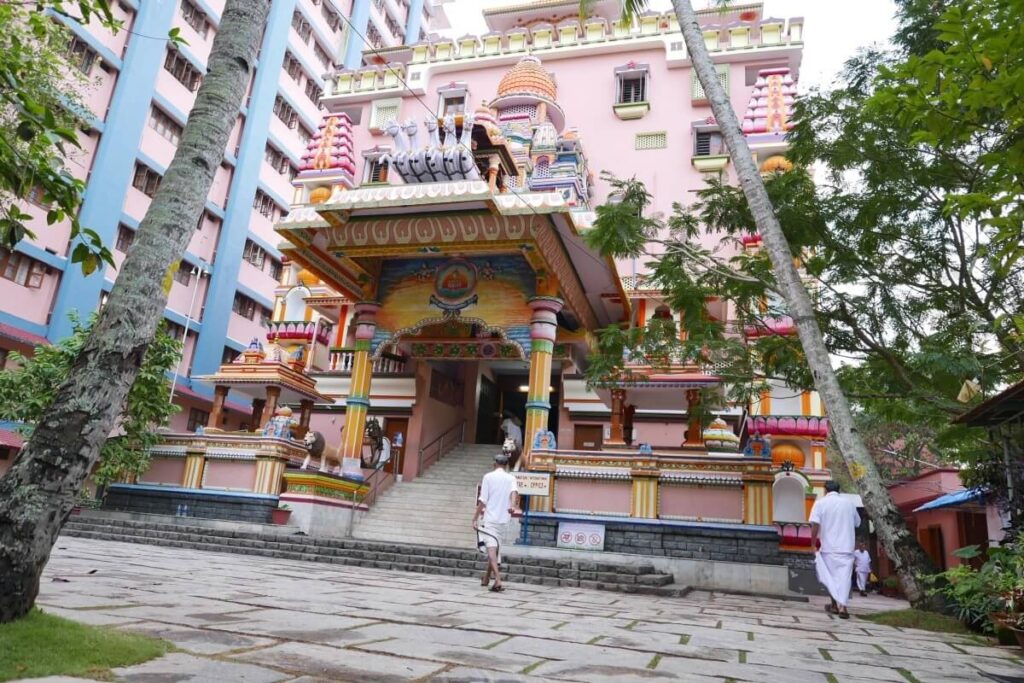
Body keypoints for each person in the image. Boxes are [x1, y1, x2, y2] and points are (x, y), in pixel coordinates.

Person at [809, 481, 861, 619]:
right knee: (844, 579)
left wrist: (812, 543)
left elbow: (815, 524)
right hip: (847, 547)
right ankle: (842, 606)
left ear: (825, 490)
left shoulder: (820, 503)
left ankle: (835, 605)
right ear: (839, 490)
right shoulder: (849, 504)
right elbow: (857, 523)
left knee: (831, 578)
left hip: (829, 547)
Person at [472, 453, 519, 592]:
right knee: (494, 549)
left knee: (492, 550)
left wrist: (475, 518)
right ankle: (486, 578)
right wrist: (513, 506)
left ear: (495, 464)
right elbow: (514, 492)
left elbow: (483, 500)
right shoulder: (511, 478)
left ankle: (498, 580)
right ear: (506, 465)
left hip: (490, 518)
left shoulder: (488, 477)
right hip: (504, 519)